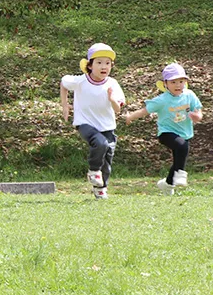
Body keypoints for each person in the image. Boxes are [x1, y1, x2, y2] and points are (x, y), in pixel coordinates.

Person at [125, 62, 203, 195]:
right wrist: (130, 117)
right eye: (173, 82)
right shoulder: (162, 100)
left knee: (179, 158)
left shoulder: (189, 95)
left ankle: (167, 184)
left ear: (185, 82)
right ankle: (181, 175)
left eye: (181, 81)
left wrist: (197, 117)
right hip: (166, 133)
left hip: (185, 133)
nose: (178, 85)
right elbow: (145, 110)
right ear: (165, 84)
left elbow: (199, 111)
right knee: (182, 146)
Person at [60, 43, 126, 199]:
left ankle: (101, 189)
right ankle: (93, 170)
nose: (104, 66)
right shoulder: (80, 81)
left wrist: (111, 99)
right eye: (99, 62)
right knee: (100, 143)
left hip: (107, 127)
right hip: (85, 123)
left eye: (108, 63)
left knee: (107, 158)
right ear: (89, 65)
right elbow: (63, 83)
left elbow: (118, 109)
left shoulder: (112, 84)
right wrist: (65, 105)